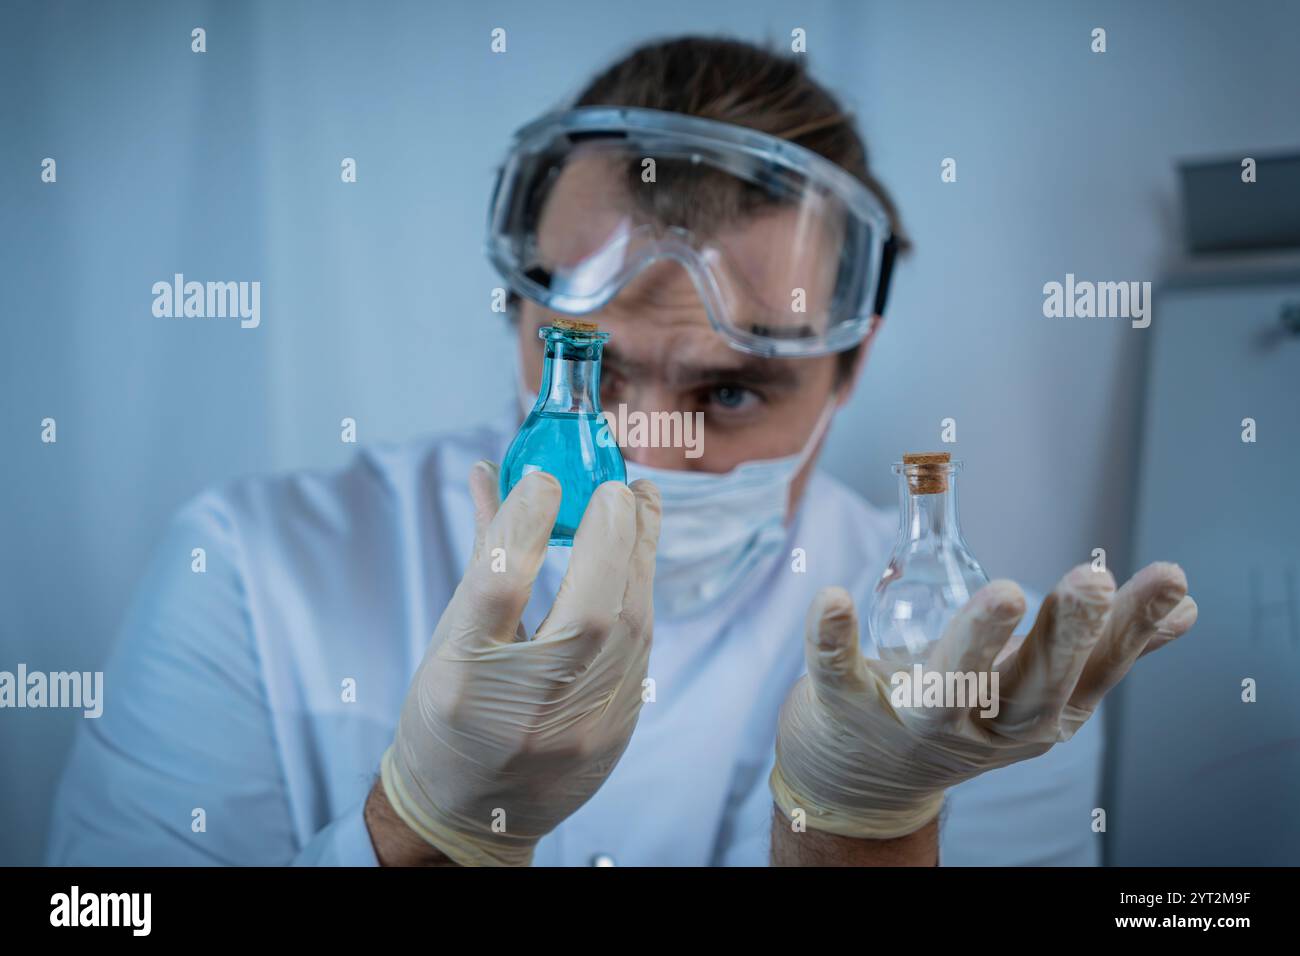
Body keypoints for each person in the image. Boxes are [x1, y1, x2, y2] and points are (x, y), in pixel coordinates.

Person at [46, 36, 1197, 867]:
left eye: (733, 389)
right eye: (584, 368)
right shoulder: (250, 570)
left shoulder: (971, 672)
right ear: (519, 326)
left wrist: (865, 831)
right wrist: (415, 835)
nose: (644, 444)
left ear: (849, 372)